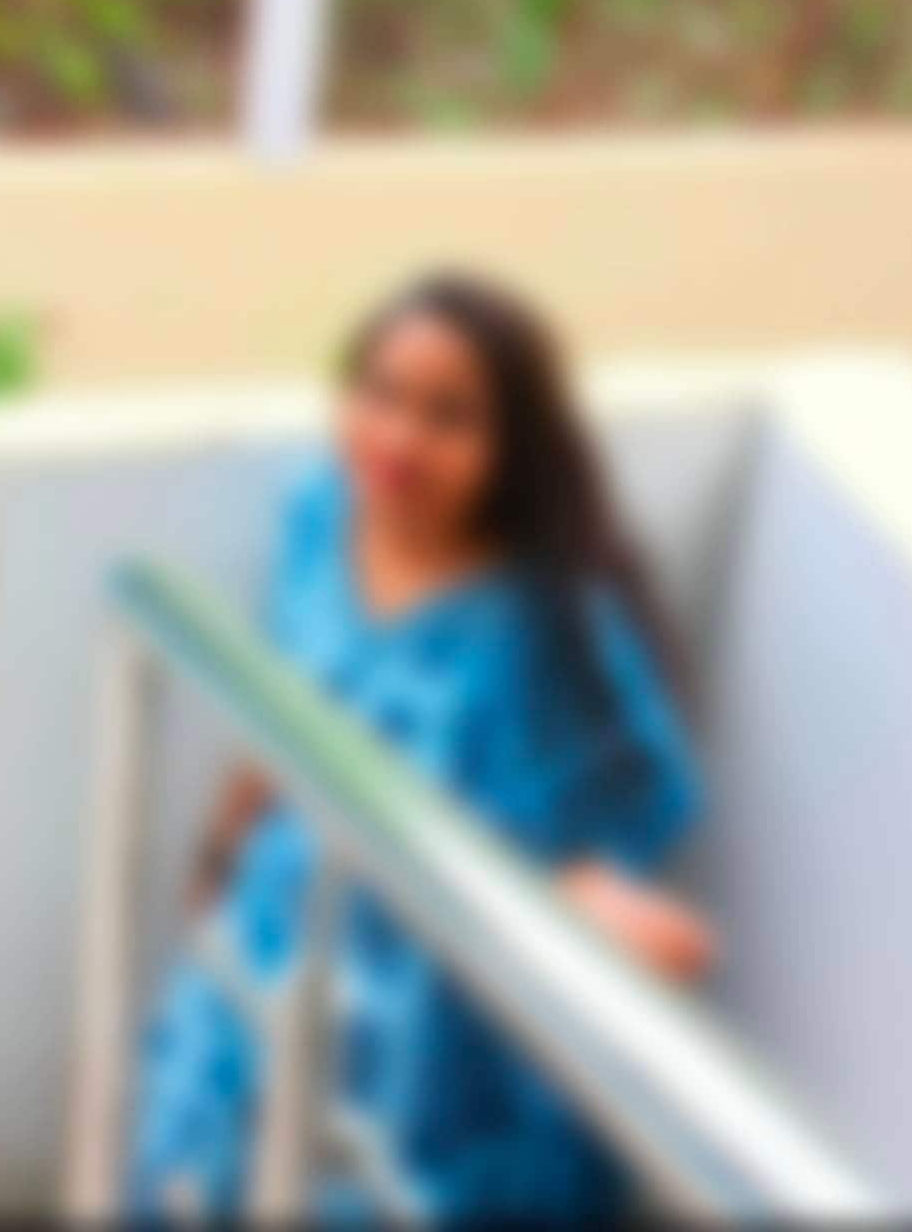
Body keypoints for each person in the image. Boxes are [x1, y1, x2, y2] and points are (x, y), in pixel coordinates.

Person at [128, 272, 715, 1219]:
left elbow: (593, 840)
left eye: (449, 417)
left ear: (512, 448)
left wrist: (618, 928)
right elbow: (289, 697)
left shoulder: (541, 628)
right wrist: (220, 848)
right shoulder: (320, 516)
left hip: (431, 1029)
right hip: (279, 941)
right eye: (381, 395)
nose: (399, 439)